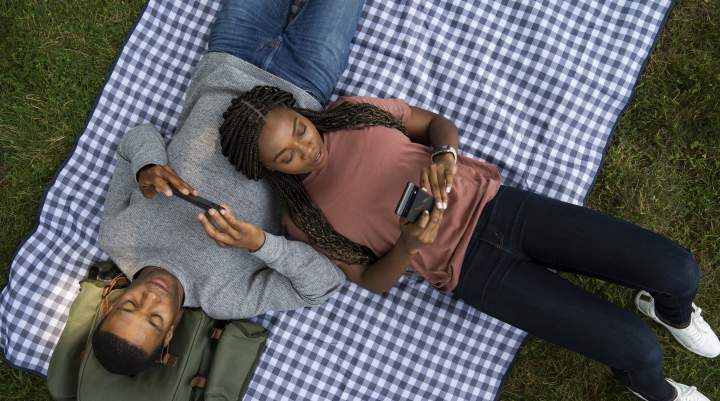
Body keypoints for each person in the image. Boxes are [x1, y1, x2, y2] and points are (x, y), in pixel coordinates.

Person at [216, 88, 720, 400]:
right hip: (474, 274)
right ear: (270, 170)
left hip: (506, 210)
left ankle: (669, 310)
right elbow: (372, 280)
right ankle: (655, 391)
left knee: (676, 268)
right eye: (286, 156)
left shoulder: (351, 113)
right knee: (633, 348)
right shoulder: (302, 218)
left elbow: (434, 123)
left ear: (303, 114)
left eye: (300, 131)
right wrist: (408, 245)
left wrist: (444, 154)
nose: (306, 149)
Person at [92, 0, 365, 376]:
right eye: (154, 319)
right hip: (302, 90)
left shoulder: (118, 238)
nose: (150, 298)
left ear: (113, 302)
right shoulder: (223, 298)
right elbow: (323, 285)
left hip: (230, 57)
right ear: (170, 333)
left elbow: (135, 140)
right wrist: (260, 244)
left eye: (130, 306)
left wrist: (147, 167)